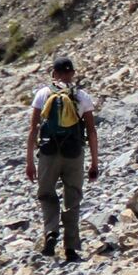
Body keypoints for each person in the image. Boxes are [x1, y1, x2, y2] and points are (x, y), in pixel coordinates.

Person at [27, 55, 100, 263]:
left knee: (47, 194)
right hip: (74, 153)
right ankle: (71, 248)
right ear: (72, 73)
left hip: (48, 153)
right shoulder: (82, 96)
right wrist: (94, 162)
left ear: (54, 73)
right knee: (73, 197)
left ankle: (51, 232)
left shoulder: (42, 94)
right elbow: (92, 131)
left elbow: (33, 129)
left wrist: (29, 161)